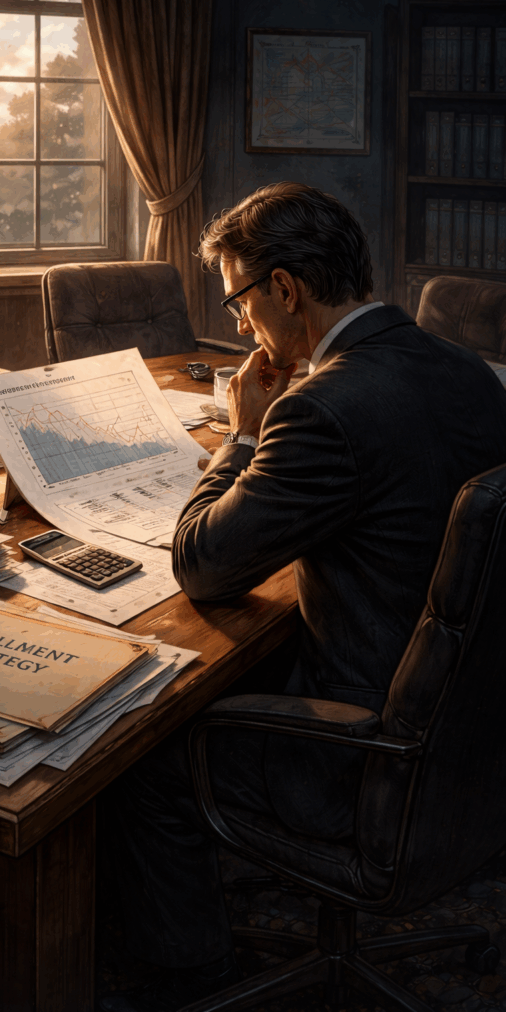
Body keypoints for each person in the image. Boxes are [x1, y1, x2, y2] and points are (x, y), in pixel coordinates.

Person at [98, 182, 506, 1012]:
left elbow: (202, 564)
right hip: (475, 730)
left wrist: (244, 434)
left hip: (367, 757)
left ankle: (186, 974)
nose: (240, 324)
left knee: (137, 753)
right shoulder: (468, 371)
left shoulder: (319, 408)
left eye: (239, 300)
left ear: (283, 288)